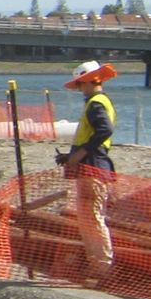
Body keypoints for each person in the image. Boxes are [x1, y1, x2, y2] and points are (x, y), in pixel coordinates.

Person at [59, 59, 117, 276]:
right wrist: (71, 155)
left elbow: (104, 130)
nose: (80, 89)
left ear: (91, 80)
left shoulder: (96, 103)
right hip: (94, 167)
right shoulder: (96, 102)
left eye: (81, 84)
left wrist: (80, 154)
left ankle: (101, 268)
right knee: (90, 219)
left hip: (93, 168)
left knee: (92, 220)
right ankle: (98, 266)